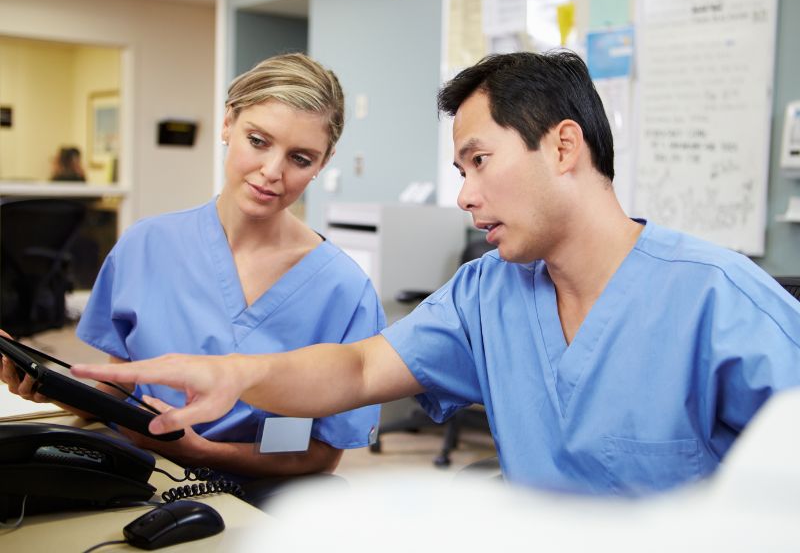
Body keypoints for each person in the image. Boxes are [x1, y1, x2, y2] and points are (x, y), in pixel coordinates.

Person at [71, 51, 800, 496]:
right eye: (460, 169)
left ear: (563, 145)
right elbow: (357, 371)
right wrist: (238, 376)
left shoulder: (719, 303)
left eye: (479, 161)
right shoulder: (489, 293)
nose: (464, 194)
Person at [2, 53, 384, 481]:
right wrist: (48, 387)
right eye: (258, 141)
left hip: (267, 495)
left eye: (300, 158)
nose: (271, 172)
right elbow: (119, 390)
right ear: (227, 124)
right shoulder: (146, 246)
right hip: (142, 474)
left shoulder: (344, 291)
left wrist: (202, 451)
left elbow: (321, 455)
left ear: (324, 162)